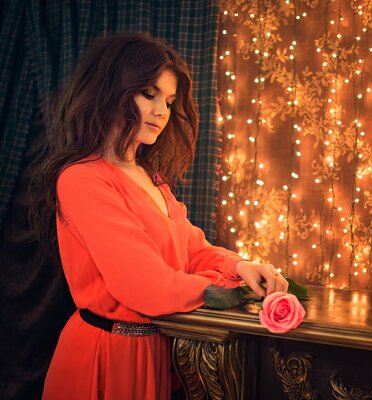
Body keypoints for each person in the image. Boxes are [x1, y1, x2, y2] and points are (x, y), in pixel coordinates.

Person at [28, 33, 288, 400]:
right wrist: (229, 291)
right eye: (149, 94)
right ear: (112, 90)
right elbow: (147, 286)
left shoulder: (152, 178)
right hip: (104, 359)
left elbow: (192, 251)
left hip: (153, 352)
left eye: (168, 100)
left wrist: (241, 266)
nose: (162, 111)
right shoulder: (82, 179)